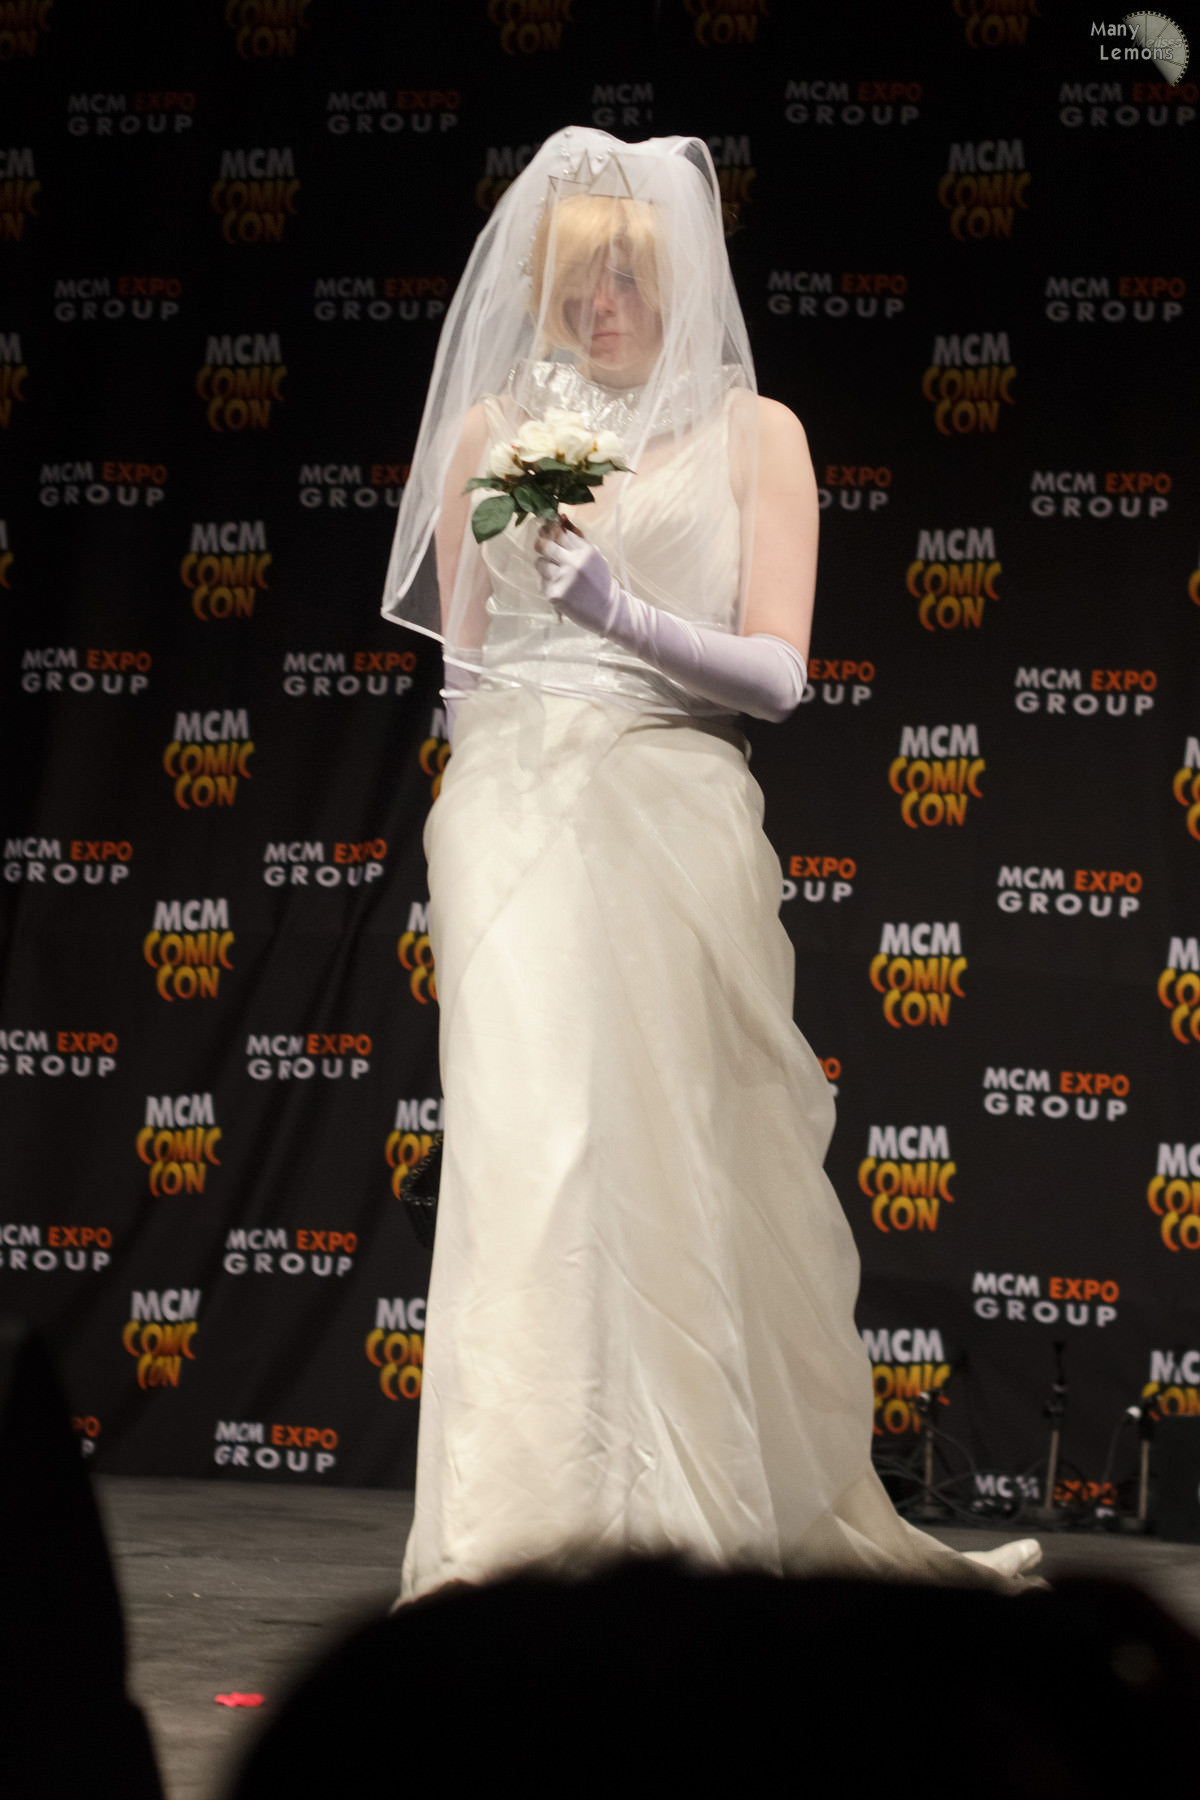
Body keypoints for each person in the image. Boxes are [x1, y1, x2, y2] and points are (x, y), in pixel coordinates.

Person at [382, 127, 1039, 1600]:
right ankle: (507, 1544)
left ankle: (691, 1536)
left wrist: (617, 611)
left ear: (680, 284)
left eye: (628, 280)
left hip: (672, 813)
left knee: (677, 1156)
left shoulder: (758, 437)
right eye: (577, 283)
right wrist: (485, 801)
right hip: (514, 825)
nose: (601, 307)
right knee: (529, 1160)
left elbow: (779, 677)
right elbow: (464, 669)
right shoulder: (493, 435)